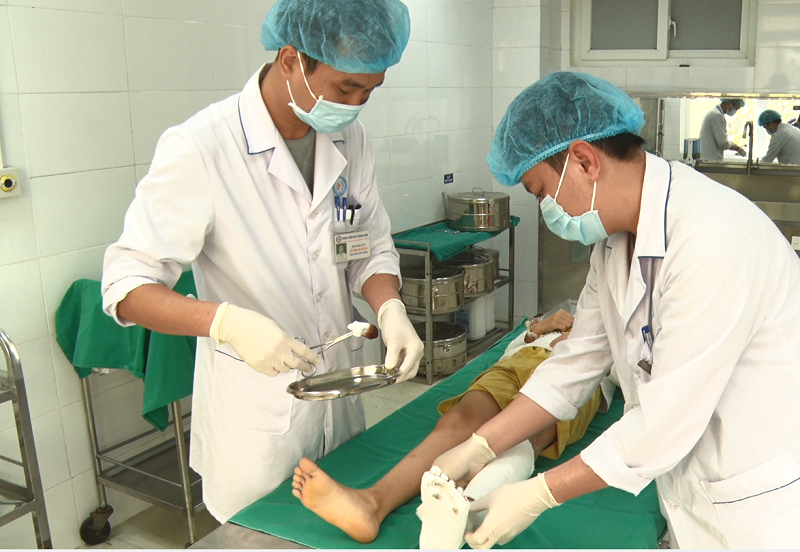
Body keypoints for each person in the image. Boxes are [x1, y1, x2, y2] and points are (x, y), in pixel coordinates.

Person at [433, 72, 800, 549]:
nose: (546, 208)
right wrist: (481, 445)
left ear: (584, 161)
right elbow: (576, 360)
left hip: (760, 509)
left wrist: (538, 494)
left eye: (540, 192)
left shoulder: (712, 239)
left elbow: (662, 425)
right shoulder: (614, 244)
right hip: (695, 495)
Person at [100, 0, 424, 523]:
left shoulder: (351, 139)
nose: (357, 105)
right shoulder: (202, 146)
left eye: (370, 91)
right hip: (256, 422)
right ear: (292, 59)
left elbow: (367, 246)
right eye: (346, 88)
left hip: (338, 399)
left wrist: (390, 309)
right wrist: (225, 322)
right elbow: (125, 287)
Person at [291, 309, 614, 547]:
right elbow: (515, 344)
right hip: (519, 361)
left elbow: (628, 371)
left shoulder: (621, 326)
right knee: (459, 421)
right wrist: (538, 329)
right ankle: (371, 503)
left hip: (581, 376)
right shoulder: (562, 317)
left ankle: (463, 511)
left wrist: (599, 347)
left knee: (529, 437)